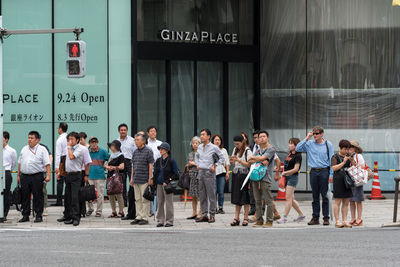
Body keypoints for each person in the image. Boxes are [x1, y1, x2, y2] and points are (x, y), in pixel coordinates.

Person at [296, 126, 334, 226]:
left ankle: (326, 217)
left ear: (322, 134)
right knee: (315, 196)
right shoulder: (309, 143)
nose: (315, 135)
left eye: (317, 133)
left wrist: (331, 174)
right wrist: (307, 137)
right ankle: (315, 217)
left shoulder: (327, 144)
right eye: (314, 133)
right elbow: (297, 148)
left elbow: (331, 160)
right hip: (313, 171)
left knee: (325, 195)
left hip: (324, 171)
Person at [17, 131, 51, 223]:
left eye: (32, 138)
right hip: (24, 176)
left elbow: (47, 163)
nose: (29, 140)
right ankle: (25, 215)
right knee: (25, 196)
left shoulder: (42, 149)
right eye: (29, 138)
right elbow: (20, 162)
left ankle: (38, 215)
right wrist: (18, 175)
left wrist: (48, 175)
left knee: (38, 196)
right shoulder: (24, 148)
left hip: (37, 176)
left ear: (37, 140)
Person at [195, 129, 225, 223]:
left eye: (203, 135)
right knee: (202, 195)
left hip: (209, 172)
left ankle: (212, 215)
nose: (201, 136)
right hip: (201, 172)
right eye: (201, 134)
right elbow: (196, 156)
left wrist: (215, 165)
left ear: (208, 136)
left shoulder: (214, 147)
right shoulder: (199, 147)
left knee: (211, 195)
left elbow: (222, 158)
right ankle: (204, 215)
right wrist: (197, 164)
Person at [57, 132, 86, 226]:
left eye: (71, 139)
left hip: (76, 175)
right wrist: (60, 172)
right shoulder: (68, 148)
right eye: (68, 139)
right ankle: (68, 215)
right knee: (67, 197)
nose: (69, 141)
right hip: (68, 174)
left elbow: (71, 157)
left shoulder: (80, 149)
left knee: (75, 197)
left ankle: (76, 218)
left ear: (77, 140)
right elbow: (64, 160)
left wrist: (69, 147)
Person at [248, 130, 276, 227]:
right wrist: (259, 158)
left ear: (267, 138)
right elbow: (251, 160)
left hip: (266, 177)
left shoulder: (271, 148)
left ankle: (269, 220)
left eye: (264, 136)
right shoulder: (257, 149)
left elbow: (260, 158)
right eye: (260, 137)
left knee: (268, 200)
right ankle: (259, 220)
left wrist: (257, 158)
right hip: (255, 176)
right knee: (257, 200)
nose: (262, 138)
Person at [277, 138, 306, 224]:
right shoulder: (289, 154)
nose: (289, 145)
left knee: (288, 198)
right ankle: (301, 215)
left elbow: (296, 169)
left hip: (292, 177)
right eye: (289, 143)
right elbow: (288, 166)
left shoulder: (298, 156)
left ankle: (284, 218)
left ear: (296, 145)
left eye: (291, 144)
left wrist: (285, 172)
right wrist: (280, 168)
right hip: (287, 177)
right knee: (291, 199)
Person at [129, 133, 154, 225]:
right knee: (137, 199)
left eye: (137, 140)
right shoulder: (135, 152)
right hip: (136, 179)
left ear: (143, 141)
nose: (136, 142)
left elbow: (150, 166)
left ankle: (145, 217)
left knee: (144, 199)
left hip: (144, 179)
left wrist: (150, 178)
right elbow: (133, 166)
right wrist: (131, 178)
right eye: (135, 140)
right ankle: (138, 216)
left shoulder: (148, 151)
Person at [153, 142, 179, 227]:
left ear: (167, 150)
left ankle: (169, 221)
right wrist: (154, 182)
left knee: (169, 203)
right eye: (160, 149)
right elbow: (156, 172)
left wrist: (167, 181)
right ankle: (160, 220)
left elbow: (176, 174)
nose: (160, 150)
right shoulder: (158, 160)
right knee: (160, 203)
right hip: (159, 184)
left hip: (168, 185)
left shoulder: (172, 160)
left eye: (162, 149)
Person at [230, 135, 252, 226]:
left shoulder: (248, 151)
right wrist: (233, 161)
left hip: (244, 176)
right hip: (236, 174)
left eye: (238, 144)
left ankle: (246, 217)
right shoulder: (235, 150)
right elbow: (234, 164)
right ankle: (236, 217)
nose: (236, 145)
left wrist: (239, 160)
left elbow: (249, 165)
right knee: (237, 197)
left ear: (243, 142)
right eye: (235, 144)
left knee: (245, 197)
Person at [117, 123, 137, 220]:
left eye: (125, 130)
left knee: (131, 183)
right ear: (119, 131)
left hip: (130, 162)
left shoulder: (132, 140)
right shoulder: (116, 141)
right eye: (121, 130)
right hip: (120, 163)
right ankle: (124, 205)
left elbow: (135, 152)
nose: (123, 131)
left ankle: (131, 204)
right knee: (122, 185)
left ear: (127, 131)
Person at [331, 139, 353, 228]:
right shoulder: (335, 156)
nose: (346, 151)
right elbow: (333, 168)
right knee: (338, 201)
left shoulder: (348, 156)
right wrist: (344, 162)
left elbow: (354, 166)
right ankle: (337, 221)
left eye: (348, 149)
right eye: (345, 149)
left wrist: (352, 160)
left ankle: (344, 220)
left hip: (347, 180)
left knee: (346, 201)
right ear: (341, 148)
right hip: (338, 179)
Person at [86, 136, 109, 217]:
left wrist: (107, 164)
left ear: (97, 142)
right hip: (89, 175)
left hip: (100, 175)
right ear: (89, 143)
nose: (94, 143)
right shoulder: (87, 151)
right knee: (88, 194)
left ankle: (99, 211)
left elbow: (110, 158)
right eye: (92, 142)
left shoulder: (102, 151)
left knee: (100, 194)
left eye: (95, 142)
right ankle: (90, 209)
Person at [105, 140, 125, 218]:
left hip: (117, 177)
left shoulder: (121, 155)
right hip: (110, 176)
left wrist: (113, 167)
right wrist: (107, 167)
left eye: (113, 146)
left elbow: (122, 166)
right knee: (110, 194)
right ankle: (113, 211)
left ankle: (121, 211)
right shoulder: (111, 155)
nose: (111, 147)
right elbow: (106, 165)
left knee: (119, 194)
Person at [146, 126, 162, 217]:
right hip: (148, 168)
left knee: (157, 189)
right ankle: (150, 210)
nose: (153, 133)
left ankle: (157, 209)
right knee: (148, 189)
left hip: (158, 167)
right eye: (151, 131)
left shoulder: (160, 143)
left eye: (154, 131)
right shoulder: (145, 143)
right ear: (148, 133)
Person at [211, 134, 230, 214]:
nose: (217, 141)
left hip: (222, 172)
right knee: (213, 191)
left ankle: (221, 207)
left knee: (221, 191)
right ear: (213, 141)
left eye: (219, 140)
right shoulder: (210, 150)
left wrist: (227, 172)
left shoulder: (224, 150)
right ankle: (214, 207)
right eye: (216, 140)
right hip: (212, 173)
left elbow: (227, 163)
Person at [349, 140, 365, 227]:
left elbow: (362, 167)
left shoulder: (359, 156)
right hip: (349, 180)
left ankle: (359, 218)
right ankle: (353, 218)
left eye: (351, 146)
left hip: (357, 180)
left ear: (355, 148)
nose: (349, 148)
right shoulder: (346, 156)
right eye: (348, 146)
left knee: (358, 200)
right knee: (351, 200)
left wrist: (353, 161)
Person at [1, 131, 17, 222]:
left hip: (6, 172)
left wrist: (8, 170)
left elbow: (14, 163)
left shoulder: (11, 150)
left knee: (5, 194)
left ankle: (4, 214)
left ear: (6, 139)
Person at [186, 136, 202, 220]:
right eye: (193, 143)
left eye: (197, 143)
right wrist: (192, 164)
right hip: (192, 175)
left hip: (200, 175)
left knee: (200, 194)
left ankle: (201, 212)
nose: (195, 145)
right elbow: (189, 163)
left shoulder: (202, 153)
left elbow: (200, 164)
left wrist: (194, 163)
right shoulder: (190, 154)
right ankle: (194, 212)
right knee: (193, 195)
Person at [53, 122, 68, 206]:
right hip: (69, 159)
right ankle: (67, 200)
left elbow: (58, 154)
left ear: (61, 129)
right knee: (67, 181)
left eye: (58, 128)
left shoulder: (60, 139)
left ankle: (59, 201)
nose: (57, 129)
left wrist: (57, 167)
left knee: (60, 181)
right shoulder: (69, 137)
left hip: (62, 160)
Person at [38, 142, 52, 217]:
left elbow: (50, 158)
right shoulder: (28, 148)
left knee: (43, 191)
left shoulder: (43, 147)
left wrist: (48, 173)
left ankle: (44, 208)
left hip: (42, 172)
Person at [79, 132, 92, 217]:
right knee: (79, 191)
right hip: (78, 171)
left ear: (85, 138)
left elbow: (88, 162)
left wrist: (86, 175)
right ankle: (81, 210)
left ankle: (86, 209)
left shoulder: (88, 148)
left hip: (85, 171)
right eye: (79, 139)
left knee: (84, 191)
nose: (80, 141)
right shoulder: (77, 148)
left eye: (81, 139)